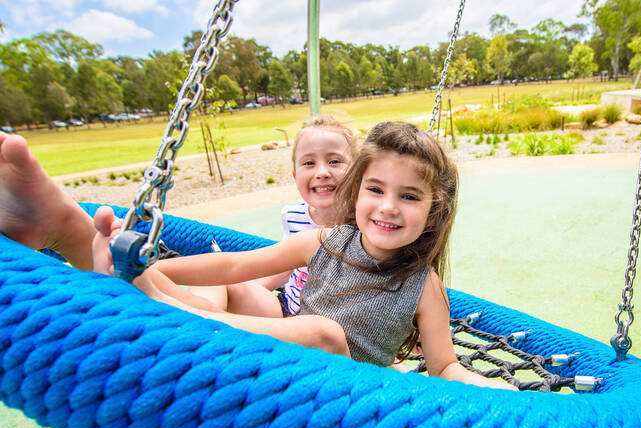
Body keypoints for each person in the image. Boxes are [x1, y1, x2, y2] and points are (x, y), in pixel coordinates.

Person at [94, 122, 517, 391]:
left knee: (323, 332)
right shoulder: (326, 241)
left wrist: (482, 383)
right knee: (228, 292)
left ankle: (170, 313)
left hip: (344, 393)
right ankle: (133, 277)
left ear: (431, 212)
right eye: (376, 189)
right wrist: (153, 264)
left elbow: (443, 366)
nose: (388, 206)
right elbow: (236, 265)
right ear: (356, 191)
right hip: (288, 363)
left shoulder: (424, 287)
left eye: (408, 196)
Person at [189, 115, 357, 318]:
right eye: (309, 163)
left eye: (334, 161)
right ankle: (203, 331)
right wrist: (258, 290)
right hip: (285, 309)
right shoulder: (293, 216)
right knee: (212, 277)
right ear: (295, 176)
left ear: (356, 173)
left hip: (327, 326)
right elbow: (286, 267)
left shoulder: (364, 225)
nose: (322, 172)